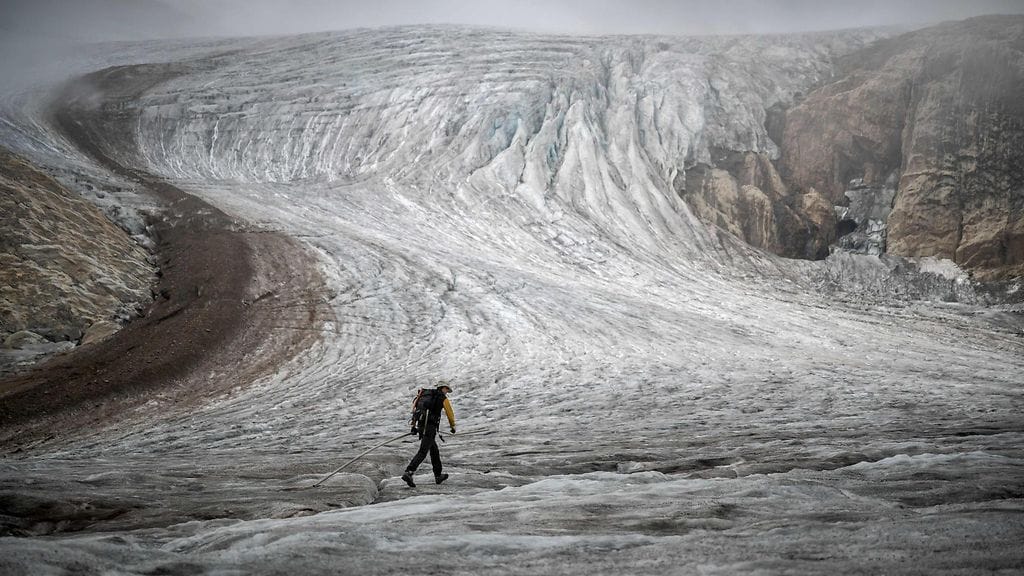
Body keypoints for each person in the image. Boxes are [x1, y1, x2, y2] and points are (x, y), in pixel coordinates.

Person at [402, 383, 456, 487]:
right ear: (443, 388)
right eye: (447, 389)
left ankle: (438, 476)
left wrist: (414, 426)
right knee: (423, 451)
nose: (447, 392)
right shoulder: (442, 398)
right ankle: (409, 472)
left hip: (422, 426)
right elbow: (450, 413)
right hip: (430, 428)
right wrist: (453, 426)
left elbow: (415, 410)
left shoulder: (426, 395)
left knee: (434, 450)